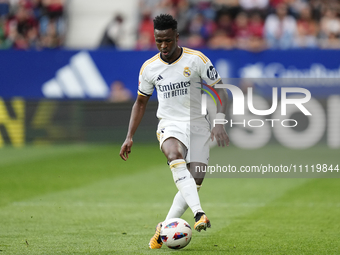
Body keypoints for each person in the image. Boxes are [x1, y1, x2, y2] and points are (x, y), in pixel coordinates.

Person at [119, 14, 229, 249]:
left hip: (198, 125)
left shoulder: (196, 59)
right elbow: (140, 103)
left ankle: (165, 226)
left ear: (176, 37)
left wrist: (219, 121)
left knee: (194, 180)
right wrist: (129, 136)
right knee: (173, 155)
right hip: (170, 124)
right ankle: (199, 213)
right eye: (159, 41)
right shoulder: (149, 68)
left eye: (168, 40)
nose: (163, 46)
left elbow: (220, 90)